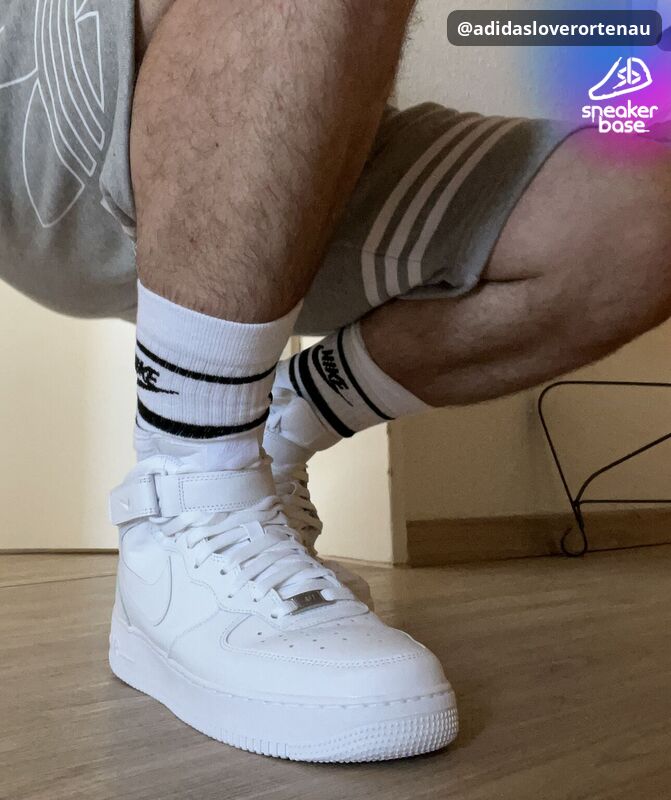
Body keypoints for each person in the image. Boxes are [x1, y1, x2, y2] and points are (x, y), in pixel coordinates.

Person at [2, 0, 671, 763]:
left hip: (274, 122)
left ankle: (269, 430)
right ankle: (189, 483)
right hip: (45, 89)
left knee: (642, 222)